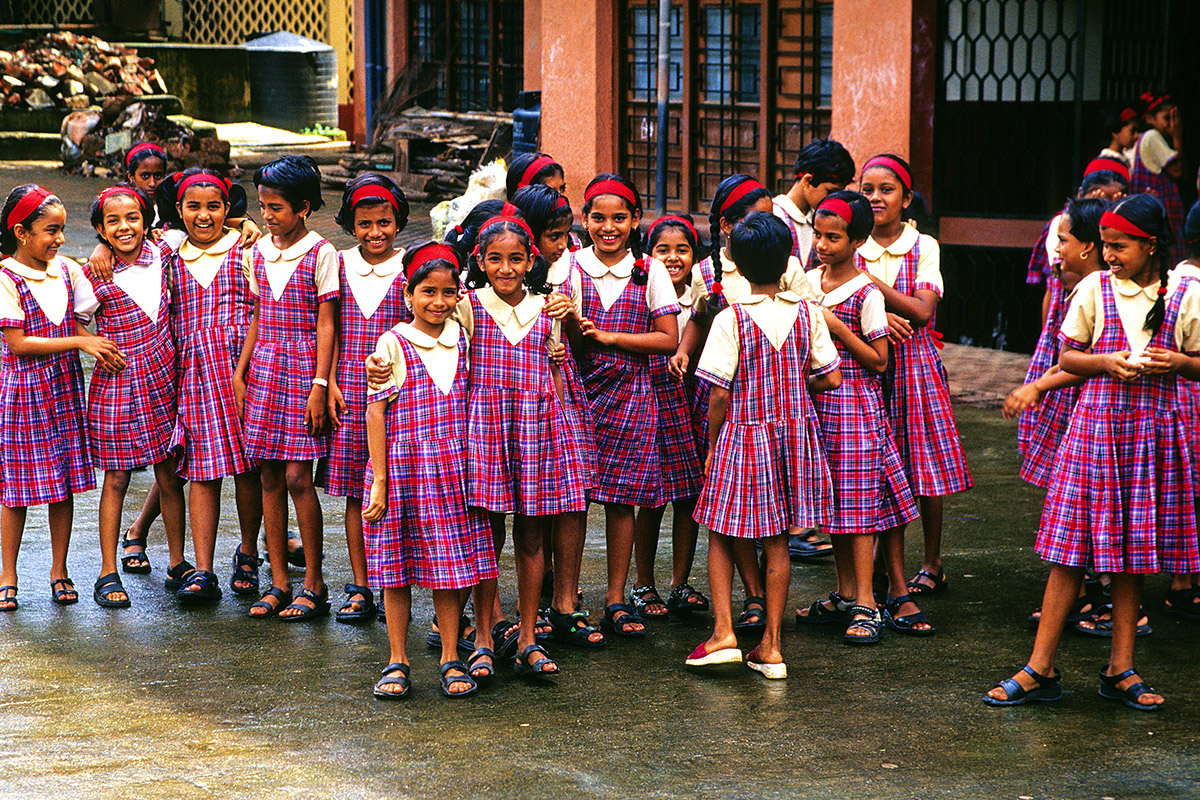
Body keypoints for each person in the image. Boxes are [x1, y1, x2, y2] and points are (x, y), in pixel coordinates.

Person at [986, 194, 1200, 711]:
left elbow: (1198, 363)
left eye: (1120, 247)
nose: (1109, 255)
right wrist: (1104, 362)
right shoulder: (1093, 289)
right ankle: (1040, 666)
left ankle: (1121, 668)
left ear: (1150, 245)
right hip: (1097, 431)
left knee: (1133, 557)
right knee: (1068, 553)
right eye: (1105, 245)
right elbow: (1069, 356)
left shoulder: (1185, 295)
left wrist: (1176, 362)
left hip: (1151, 434)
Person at [687, 210, 841, 678]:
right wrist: (790, 389)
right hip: (794, 435)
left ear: (733, 257)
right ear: (788, 261)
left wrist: (712, 445)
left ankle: (723, 634)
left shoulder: (731, 319)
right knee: (778, 538)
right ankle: (771, 646)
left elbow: (718, 391)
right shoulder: (809, 313)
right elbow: (830, 377)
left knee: (720, 529)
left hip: (742, 433)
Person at [363, 243, 499, 699]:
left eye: (447, 292)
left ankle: (449, 656)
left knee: (451, 569)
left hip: (455, 468)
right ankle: (397, 658)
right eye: (427, 292)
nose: (437, 301)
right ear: (408, 293)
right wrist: (379, 480)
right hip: (404, 468)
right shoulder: (392, 343)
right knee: (396, 568)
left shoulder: (464, 336)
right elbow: (376, 413)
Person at [460, 212, 589, 677]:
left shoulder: (550, 306)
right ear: (480, 260)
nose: (506, 268)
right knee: (485, 536)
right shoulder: (467, 307)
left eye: (516, 259)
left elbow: (561, 370)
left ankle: (529, 636)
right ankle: (482, 635)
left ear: (531, 260)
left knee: (533, 535)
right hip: (485, 432)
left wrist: (567, 327)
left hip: (537, 431)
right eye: (495, 259)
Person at [559, 174, 680, 639]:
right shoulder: (569, 268)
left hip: (631, 392)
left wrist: (610, 337)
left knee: (622, 499)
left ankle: (615, 596)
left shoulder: (650, 272)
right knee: (569, 499)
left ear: (635, 221)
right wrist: (572, 326)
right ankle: (565, 597)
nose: (608, 228)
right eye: (598, 218)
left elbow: (668, 339)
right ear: (584, 219)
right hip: (576, 392)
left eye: (619, 218)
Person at [797, 191, 920, 643]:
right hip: (816, 403)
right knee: (832, 503)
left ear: (857, 241)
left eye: (834, 237)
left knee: (859, 503)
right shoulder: (808, 281)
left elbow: (880, 360)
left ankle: (868, 601)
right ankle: (846, 592)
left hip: (853, 408)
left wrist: (835, 325)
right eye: (819, 235)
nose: (823, 245)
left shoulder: (866, 292)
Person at [856, 154, 972, 622]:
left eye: (887, 190)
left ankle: (932, 560)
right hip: (865, 364)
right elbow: (820, 291)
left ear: (906, 198)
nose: (876, 198)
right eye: (867, 190)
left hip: (914, 365)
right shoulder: (850, 239)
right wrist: (879, 313)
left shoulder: (922, 245)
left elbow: (923, 312)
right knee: (879, 465)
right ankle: (884, 566)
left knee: (922, 463)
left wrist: (865, 281)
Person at [0, 185, 117, 610]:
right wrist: (81, 344)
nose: (60, 239)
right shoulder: (6, 276)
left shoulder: (67, 271)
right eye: (51, 230)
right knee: (15, 490)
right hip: (22, 392)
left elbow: (82, 319)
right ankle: (7, 572)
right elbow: (18, 344)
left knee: (60, 485)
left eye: (64, 229)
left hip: (63, 388)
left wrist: (94, 343)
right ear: (21, 232)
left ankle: (59, 569)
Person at [235, 155, 337, 621]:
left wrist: (320, 383)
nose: (267, 216)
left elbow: (327, 322)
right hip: (264, 371)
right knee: (268, 476)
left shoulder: (321, 253)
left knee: (298, 476)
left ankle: (313, 581)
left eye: (276, 207)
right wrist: (241, 370)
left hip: (302, 371)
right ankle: (279, 580)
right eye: (262, 207)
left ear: (303, 207)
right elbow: (256, 315)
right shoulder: (256, 254)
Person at [75, 186, 186, 607]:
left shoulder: (166, 251)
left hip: (163, 378)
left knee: (170, 473)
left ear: (149, 220)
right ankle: (108, 571)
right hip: (116, 384)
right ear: (101, 230)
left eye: (133, 218)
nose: (125, 227)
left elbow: (214, 222)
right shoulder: (93, 276)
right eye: (113, 222)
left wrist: (246, 222)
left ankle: (177, 561)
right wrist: (94, 344)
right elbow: (78, 322)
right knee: (117, 478)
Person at [158, 168, 263, 600]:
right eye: (194, 207)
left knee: (248, 468)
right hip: (194, 375)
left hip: (245, 371)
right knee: (203, 471)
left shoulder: (247, 249)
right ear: (178, 211)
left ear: (228, 210)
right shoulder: (167, 252)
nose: (204, 216)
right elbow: (122, 239)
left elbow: (262, 307)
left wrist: (244, 223)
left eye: (215, 207)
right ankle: (202, 569)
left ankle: (249, 552)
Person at [1003, 197, 1108, 626]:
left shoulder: (1097, 289)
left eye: (1062, 240)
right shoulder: (1072, 283)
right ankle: (1083, 591)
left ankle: (1107, 598)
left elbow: (1084, 361)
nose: (1056, 249)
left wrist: (1037, 386)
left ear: (1088, 246)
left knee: (1089, 501)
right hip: (1061, 399)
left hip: (1082, 406)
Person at [514, 184, 604, 647]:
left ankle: (566, 599)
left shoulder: (570, 279)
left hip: (561, 395)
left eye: (567, 235)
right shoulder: (498, 280)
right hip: (512, 403)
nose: (563, 245)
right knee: (524, 504)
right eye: (552, 236)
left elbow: (582, 348)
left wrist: (571, 319)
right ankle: (519, 604)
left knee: (570, 496)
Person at [320, 173, 411, 623]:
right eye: (365, 224)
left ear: (399, 222)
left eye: (384, 222)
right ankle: (360, 584)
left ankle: (401, 582)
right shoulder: (336, 262)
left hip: (403, 397)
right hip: (351, 396)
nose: (375, 232)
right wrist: (329, 380)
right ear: (350, 225)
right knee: (358, 492)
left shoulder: (411, 265)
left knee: (404, 487)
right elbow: (330, 324)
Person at [629, 214, 709, 618]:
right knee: (650, 497)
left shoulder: (702, 299)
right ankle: (643, 584)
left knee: (688, 494)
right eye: (663, 249)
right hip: (651, 398)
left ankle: (680, 582)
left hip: (692, 401)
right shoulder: (644, 292)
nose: (673, 258)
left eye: (683, 250)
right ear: (649, 253)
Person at [771, 138, 855, 268]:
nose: (834, 199)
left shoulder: (821, 220)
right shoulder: (773, 217)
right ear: (808, 181)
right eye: (830, 192)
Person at [1130, 93, 1186, 262]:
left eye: (1174, 119)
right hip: (1159, 214)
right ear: (1149, 118)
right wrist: (1177, 135)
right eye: (1166, 118)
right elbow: (1177, 170)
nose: (1171, 124)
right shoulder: (1152, 136)